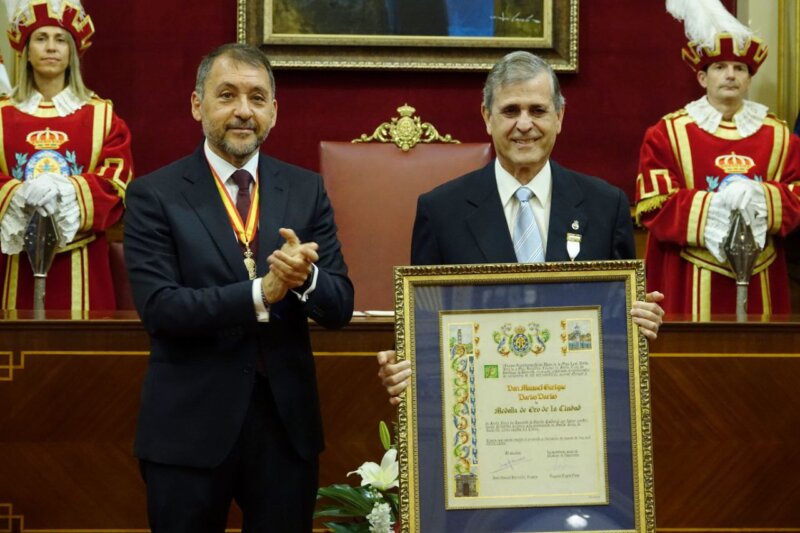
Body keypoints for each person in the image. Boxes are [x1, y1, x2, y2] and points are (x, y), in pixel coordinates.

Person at [123, 43, 354, 532]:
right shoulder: (154, 194)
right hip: (188, 428)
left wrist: (305, 278)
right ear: (197, 104)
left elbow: (340, 306)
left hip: (285, 428)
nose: (243, 111)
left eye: (257, 98)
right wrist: (262, 293)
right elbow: (161, 308)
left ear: (274, 111)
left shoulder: (305, 189)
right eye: (227, 95)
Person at [378, 50, 664, 403]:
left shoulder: (605, 206)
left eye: (538, 111)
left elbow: (620, 321)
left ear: (559, 117)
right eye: (511, 111)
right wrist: (401, 367)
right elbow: (421, 327)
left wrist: (641, 320)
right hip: (481, 409)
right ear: (487, 117)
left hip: (576, 409)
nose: (524, 124)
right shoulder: (440, 211)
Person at [636, 0, 800, 320]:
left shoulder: (780, 136)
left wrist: (761, 196)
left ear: (749, 79)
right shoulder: (666, 133)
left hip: (761, 276)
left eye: (740, 68)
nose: (730, 75)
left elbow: (796, 195)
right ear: (702, 77)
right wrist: (716, 206)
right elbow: (654, 205)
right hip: (689, 276)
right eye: (720, 67)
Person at [0, 0, 133, 311]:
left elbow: (117, 183)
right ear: (25, 51)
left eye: (60, 39)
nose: (51, 47)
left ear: (72, 52)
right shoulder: (2, 115)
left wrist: (67, 191)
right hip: (13, 262)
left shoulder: (103, 117)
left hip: (84, 263)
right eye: (41, 38)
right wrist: (18, 195)